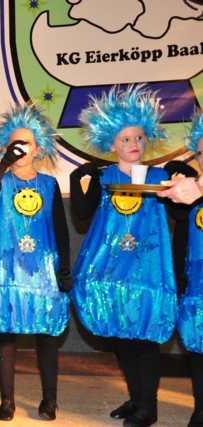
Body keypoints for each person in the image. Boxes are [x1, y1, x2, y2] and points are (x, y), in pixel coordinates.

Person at [69, 86, 176, 427]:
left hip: (147, 272)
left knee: (145, 338)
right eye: (126, 139)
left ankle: (149, 407)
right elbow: (82, 216)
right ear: (112, 144)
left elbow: (180, 213)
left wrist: (182, 181)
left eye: (139, 138)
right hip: (111, 272)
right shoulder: (104, 177)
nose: (134, 144)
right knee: (123, 338)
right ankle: (136, 399)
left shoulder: (160, 178)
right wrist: (81, 180)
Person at [0, 104, 71, 422]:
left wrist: (64, 267)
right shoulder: (2, 182)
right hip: (7, 271)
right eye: (13, 144)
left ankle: (50, 400)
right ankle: (7, 401)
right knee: (6, 334)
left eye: (26, 143)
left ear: (37, 150)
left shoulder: (49, 184)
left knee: (46, 336)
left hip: (43, 271)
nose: (20, 149)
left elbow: (60, 228)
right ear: (5, 149)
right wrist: (4, 163)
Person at [163, 112, 203, 427]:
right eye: (200, 152)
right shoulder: (193, 192)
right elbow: (178, 215)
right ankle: (200, 409)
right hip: (197, 286)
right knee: (198, 350)